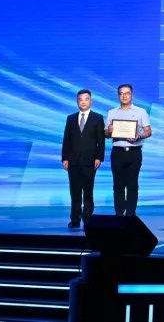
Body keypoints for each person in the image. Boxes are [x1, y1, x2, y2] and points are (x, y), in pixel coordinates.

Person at [105, 84, 152, 216]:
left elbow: (148, 131)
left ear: (132, 94)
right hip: (117, 152)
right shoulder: (112, 112)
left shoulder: (141, 112)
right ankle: (119, 214)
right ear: (118, 96)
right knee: (118, 185)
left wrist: (139, 136)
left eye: (127, 93)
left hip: (134, 152)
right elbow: (106, 134)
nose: (124, 96)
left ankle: (130, 214)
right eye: (121, 93)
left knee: (132, 184)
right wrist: (108, 131)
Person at [61, 89, 105, 228]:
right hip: (73, 161)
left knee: (88, 192)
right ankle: (75, 220)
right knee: (74, 192)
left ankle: (88, 220)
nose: (83, 102)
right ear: (77, 101)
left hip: (90, 161)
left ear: (91, 101)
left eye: (86, 99)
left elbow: (101, 140)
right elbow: (66, 140)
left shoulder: (97, 118)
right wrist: (65, 158)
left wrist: (99, 157)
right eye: (80, 99)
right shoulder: (71, 118)